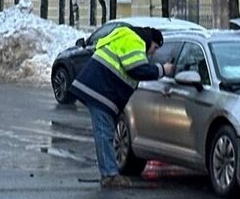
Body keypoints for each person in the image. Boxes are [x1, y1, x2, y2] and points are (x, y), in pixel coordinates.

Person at [70, 26, 174, 189]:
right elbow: (137, 69)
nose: (152, 53)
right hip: (100, 90)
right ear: (151, 40)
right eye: (154, 48)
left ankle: (109, 173)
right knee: (104, 133)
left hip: (98, 87)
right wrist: (163, 70)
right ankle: (110, 175)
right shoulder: (135, 41)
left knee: (104, 132)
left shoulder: (128, 36)